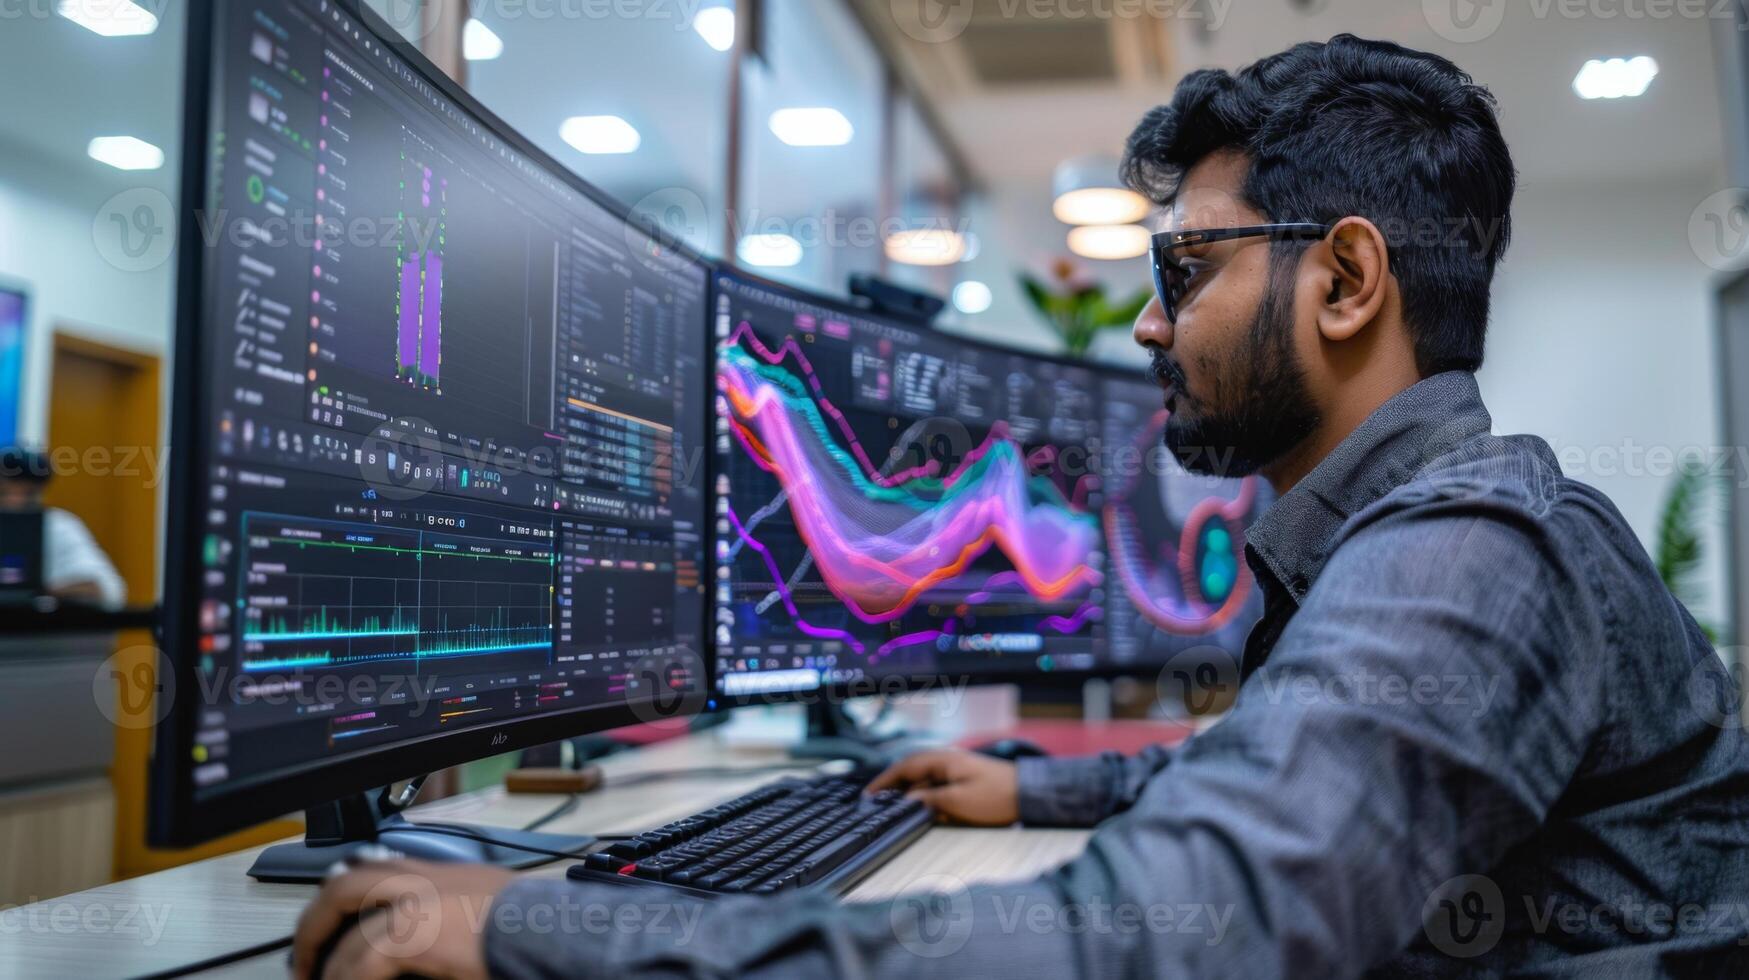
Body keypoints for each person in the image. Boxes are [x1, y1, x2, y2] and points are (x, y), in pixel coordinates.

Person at [292, 35, 1749, 977]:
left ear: (1346, 280)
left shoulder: (1473, 555)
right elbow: (1293, 775)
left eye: (1184, 270)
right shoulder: (1445, 525)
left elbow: (1168, 933)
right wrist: (1041, 786)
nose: (1149, 324)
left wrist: (549, 931)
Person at [0, 447, 126, 608]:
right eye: (4, 492)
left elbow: (104, 590)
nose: (15, 501)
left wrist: (40, 594)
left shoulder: (58, 526)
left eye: (28, 493)